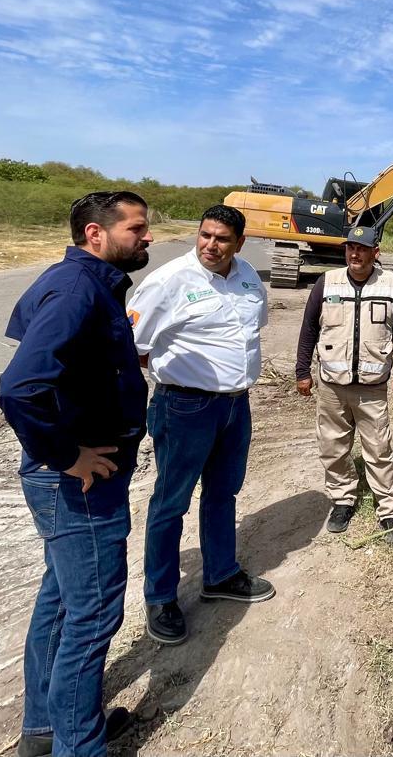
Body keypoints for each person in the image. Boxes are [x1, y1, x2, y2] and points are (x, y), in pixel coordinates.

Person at [0, 191, 153, 757]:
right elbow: (18, 389)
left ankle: (46, 731)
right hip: (79, 484)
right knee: (92, 616)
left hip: (75, 479)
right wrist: (66, 456)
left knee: (61, 601)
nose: (147, 237)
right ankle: (80, 747)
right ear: (95, 233)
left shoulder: (88, 286)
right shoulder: (74, 290)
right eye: (136, 228)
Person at [125, 204, 275, 646]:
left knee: (223, 493)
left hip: (235, 406)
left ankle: (221, 574)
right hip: (184, 408)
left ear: (239, 243)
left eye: (222, 239)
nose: (211, 245)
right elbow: (133, 346)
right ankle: (161, 596)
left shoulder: (249, 277)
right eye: (205, 235)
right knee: (170, 503)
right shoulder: (168, 281)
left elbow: (250, 333)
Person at [295, 226, 393, 543]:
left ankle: (390, 511)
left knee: (379, 449)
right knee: (333, 446)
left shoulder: (391, 285)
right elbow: (308, 329)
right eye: (350, 248)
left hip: (372, 387)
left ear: (376, 252)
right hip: (332, 385)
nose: (355, 254)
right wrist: (301, 371)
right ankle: (343, 500)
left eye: (362, 248)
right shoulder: (327, 282)